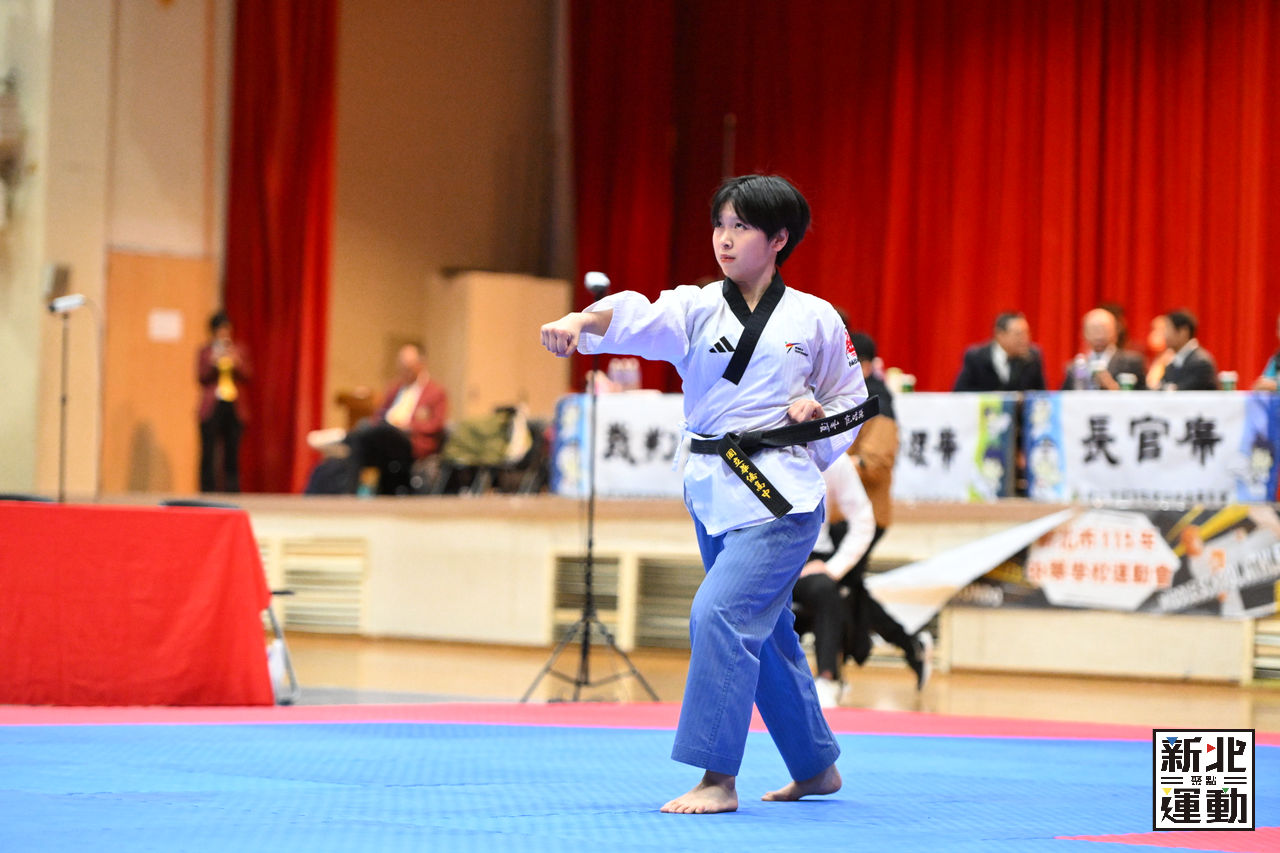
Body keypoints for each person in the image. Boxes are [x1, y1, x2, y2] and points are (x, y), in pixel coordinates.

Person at [540, 174, 866, 814]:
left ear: (778, 239)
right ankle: (815, 766)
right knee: (767, 632)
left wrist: (816, 412)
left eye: (741, 226)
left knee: (718, 614)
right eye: (720, 224)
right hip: (715, 491)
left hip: (781, 496)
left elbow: (849, 399)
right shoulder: (695, 307)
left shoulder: (815, 317)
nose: (725, 238)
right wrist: (579, 320)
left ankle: (717, 778)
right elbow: (633, 315)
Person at [791, 331, 929, 707]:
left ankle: (841, 669)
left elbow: (877, 463)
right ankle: (897, 649)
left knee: (838, 587)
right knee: (848, 593)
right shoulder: (834, 393)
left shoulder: (877, 400)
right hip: (833, 521)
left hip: (864, 515)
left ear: (862, 363)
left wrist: (833, 461)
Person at [347, 343, 448, 494]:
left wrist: (409, 426)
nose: (404, 372)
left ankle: (348, 439)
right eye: (401, 368)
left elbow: (436, 424)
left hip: (411, 440)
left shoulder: (435, 392)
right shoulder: (395, 388)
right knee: (362, 435)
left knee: (379, 432)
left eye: (408, 368)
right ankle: (350, 491)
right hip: (386, 434)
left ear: (420, 365)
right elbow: (380, 414)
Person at [197, 311, 250, 492]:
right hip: (212, 406)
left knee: (232, 451)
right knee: (208, 451)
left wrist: (236, 361)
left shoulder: (237, 350)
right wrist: (213, 363)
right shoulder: (206, 352)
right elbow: (201, 377)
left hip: (233, 405)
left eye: (226, 329)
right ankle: (207, 490)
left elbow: (248, 375)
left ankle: (232, 490)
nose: (224, 333)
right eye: (220, 330)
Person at [952, 312, 1046, 392]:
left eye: (1027, 333)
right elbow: (960, 392)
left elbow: (1042, 395)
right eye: (1019, 334)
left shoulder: (1032, 357)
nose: (1025, 339)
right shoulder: (976, 357)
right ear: (1000, 335)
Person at [1060, 307, 1147, 390]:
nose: (1099, 334)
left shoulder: (1131, 362)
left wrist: (1113, 387)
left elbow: (1145, 395)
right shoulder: (1075, 367)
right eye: (1094, 329)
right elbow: (1064, 396)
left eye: (1103, 329)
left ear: (1115, 330)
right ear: (1084, 333)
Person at [1159, 310, 1218, 391]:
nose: (1165, 335)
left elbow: (1183, 391)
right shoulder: (1171, 365)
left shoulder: (1201, 363)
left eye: (1168, 329)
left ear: (1183, 332)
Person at [1252, 311, 1280, 392]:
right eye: (1279, 328)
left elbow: (1272, 385)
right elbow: (1264, 381)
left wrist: (1276, 386)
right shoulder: (1276, 358)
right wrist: (1261, 385)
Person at [1145, 314, 1174, 390]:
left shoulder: (1172, 358)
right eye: (1153, 329)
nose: (1155, 334)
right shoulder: (1158, 358)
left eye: (1161, 330)